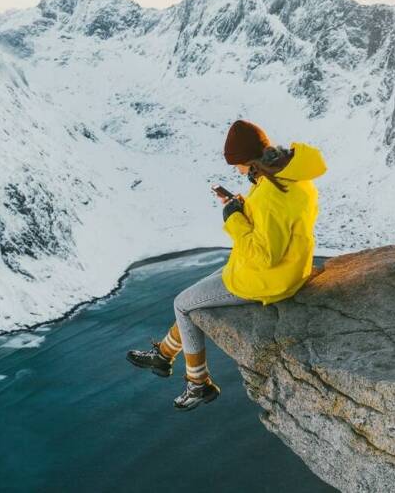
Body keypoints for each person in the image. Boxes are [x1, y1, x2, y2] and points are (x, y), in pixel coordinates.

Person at [126, 119, 327, 411]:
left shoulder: (272, 194)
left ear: (250, 161)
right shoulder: (291, 177)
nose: (237, 171)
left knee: (183, 304)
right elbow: (277, 223)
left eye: (238, 165)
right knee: (197, 297)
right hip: (289, 268)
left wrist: (232, 218)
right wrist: (241, 204)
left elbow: (264, 254)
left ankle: (198, 384)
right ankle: (164, 356)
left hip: (268, 278)